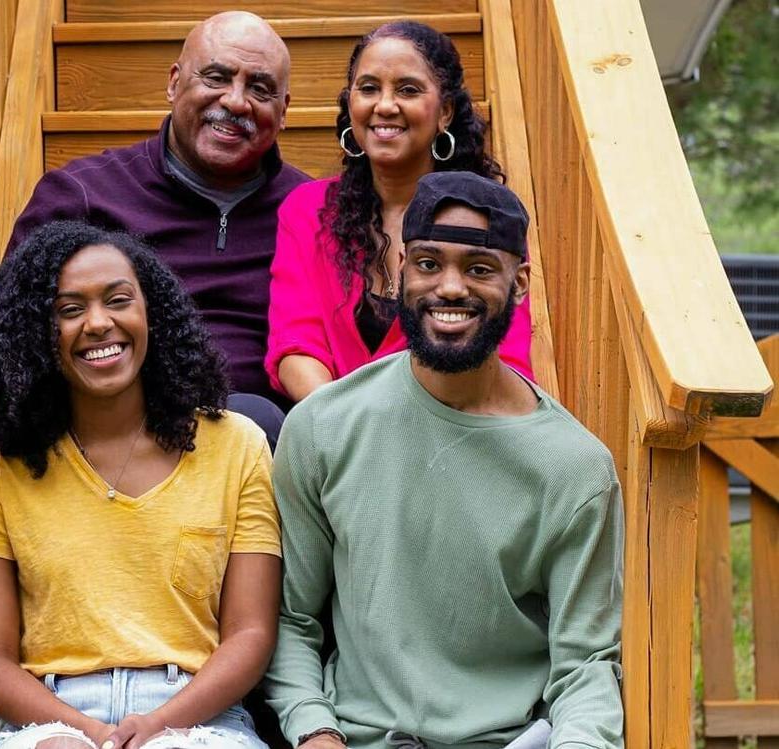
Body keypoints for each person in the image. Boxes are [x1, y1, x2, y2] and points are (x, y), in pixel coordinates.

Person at [265, 172, 624, 749]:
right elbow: (290, 620)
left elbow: (585, 667)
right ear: (402, 266)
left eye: (479, 268)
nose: (449, 288)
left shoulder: (574, 468)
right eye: (429, 263)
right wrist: (314, 731)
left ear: (520, 282)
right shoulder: (324, 427)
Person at [0, 221, 282, 749]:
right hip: (48, 718)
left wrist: (157, 726)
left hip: (199, 715)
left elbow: (252, 634)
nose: (98, 323)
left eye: (118, 300)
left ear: (153, 315)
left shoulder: (236, 446)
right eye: (69, 310)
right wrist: (88, 733)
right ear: (38, 335)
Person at [0, 11, 310, 480]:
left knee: (262, 421)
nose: (235, 101)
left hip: (245, 435)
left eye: (260, 88)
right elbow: (13, 309)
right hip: (100, 410)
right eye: (216, 77)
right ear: (174, 83)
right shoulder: (85, 193)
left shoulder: (309, 211)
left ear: (285, 109)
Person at [265, 21, 532, 402]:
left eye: (407, 90)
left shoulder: (487, 217)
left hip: (453, 434)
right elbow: (297, 345)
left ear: (445, 112)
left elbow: (507, 358)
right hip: (331, 432)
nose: (385, 106)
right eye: (369, 88)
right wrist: (350, 432)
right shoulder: (308, 210)